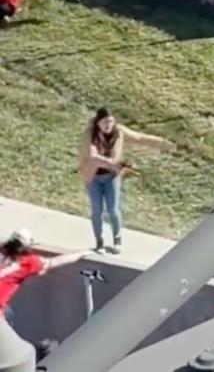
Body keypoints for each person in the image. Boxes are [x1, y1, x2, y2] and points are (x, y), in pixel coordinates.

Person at [79, 108, 175, 254]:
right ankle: (99, 242)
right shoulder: (90, 134)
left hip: (112, 177)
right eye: (105, 122)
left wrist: (164, 143)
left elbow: (139, 138)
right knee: (97, 210)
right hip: (93, 178)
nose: (108, 125)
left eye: (111, 121)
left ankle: (117, 240)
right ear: (98, 122)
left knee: (113, 209)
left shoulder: (119, 132)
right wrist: (113, 163)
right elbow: (93, 157)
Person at [0, 228, 92, 327]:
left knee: (9, 313)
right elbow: (54, 262)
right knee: (8, 317)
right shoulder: (27, 263)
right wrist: (82, 253)